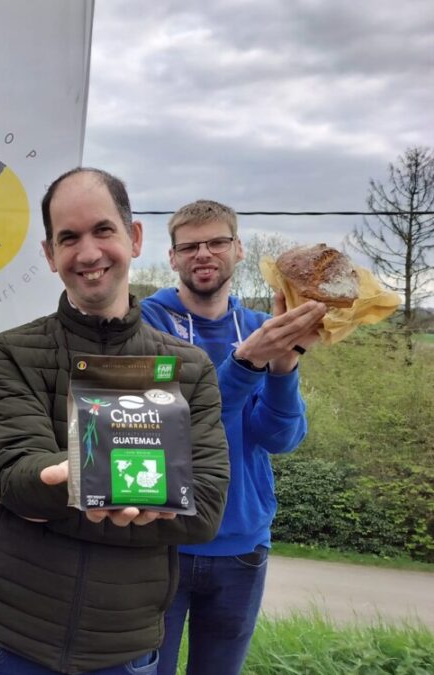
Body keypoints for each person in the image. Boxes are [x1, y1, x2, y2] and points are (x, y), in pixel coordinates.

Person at [0, 168, 230, 675]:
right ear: (49, 255)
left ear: (133, 238)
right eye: (68, 238)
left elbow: (205, 511)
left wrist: (48, 498)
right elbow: (19, 477)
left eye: (102, 230)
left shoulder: (190, 369)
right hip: (9, 639)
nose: (87, 253)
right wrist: (148, 490)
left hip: (122, 649)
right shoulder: (12, 352)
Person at [139, 200, 323, 675]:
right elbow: (172, 427)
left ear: (238, 249)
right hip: (162, 542)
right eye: (190, 246)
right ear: (173, 257)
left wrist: (284, 366)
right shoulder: (146, 326)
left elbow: (279, 437)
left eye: (217, 241)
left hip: (242, 544)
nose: (204, 253)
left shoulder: (264, 325)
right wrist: (246, 363)